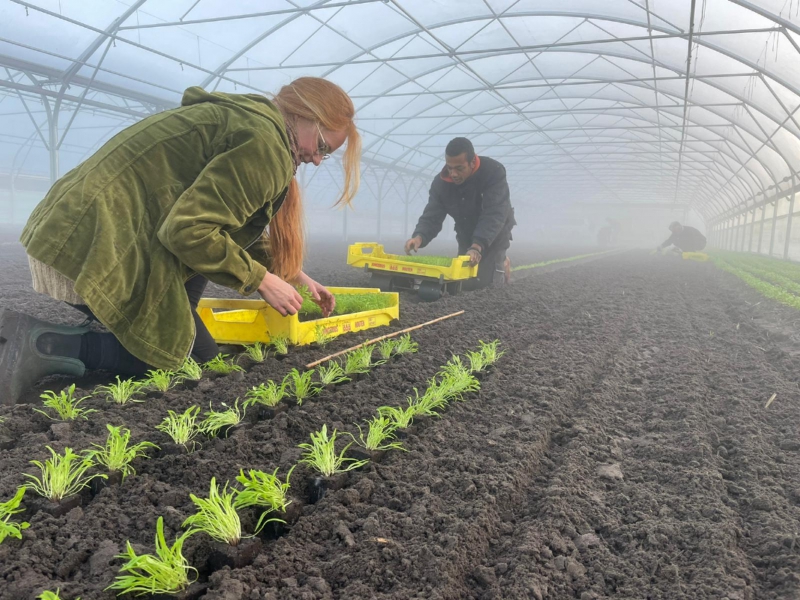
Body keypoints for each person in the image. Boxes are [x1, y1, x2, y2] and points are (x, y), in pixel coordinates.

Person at [0, 77, 361, 404]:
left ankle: (96, 337)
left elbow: (229, 223)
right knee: (182, 362)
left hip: (80, 224)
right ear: (305, 115)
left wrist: (294, 274)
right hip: (95, 241)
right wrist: (262, 280)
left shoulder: (253, 121)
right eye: (324, 147)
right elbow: (188, 230)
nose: (316, 159)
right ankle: (38, 343)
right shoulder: (265, 146)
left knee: (180, 337)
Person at [404, 138, 515, 289]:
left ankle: (500, 262)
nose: (453, 174)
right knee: (463, 282)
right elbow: (432, 214)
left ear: (472, 162)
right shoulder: (441, 184)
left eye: (459, 168)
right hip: (466, 232)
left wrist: (477, 246)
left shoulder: (493, 172)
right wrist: (419, 237)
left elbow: (494, 213)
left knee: (486, 286)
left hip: (494, 233)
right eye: (449, 168)